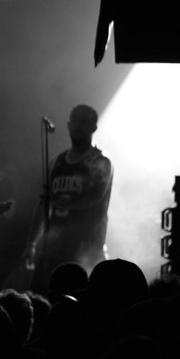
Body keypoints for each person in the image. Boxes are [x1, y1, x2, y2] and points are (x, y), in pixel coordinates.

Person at [24, 104, 114, 295]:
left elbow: (96, 199)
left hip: (85, 247)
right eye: (75, 120)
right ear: (68, 124)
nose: (78, 125)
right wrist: (32, 243)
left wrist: (68, 203)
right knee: (40, 299)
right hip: (53, 248)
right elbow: (43, 205)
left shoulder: (101, 161)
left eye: (84, 121)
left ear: (94, 128)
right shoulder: (56, 162)